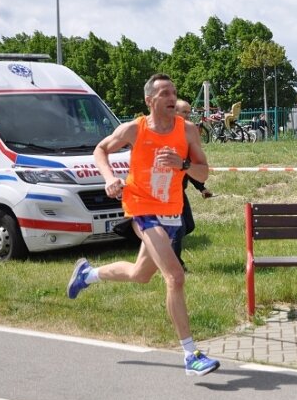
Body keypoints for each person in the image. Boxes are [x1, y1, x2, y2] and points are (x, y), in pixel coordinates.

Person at [67, 73, 220, 376]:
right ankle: (190, 355)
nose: (171, 98)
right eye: (164, 93)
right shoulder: (134, 130)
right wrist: (110, 178)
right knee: (175, 277)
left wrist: (183, 165)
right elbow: (100, 150)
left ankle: (89, 274)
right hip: (141, 208)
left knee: (140, 275)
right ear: (150, 100)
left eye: (174, 92)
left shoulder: (188, 131)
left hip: (172, 211)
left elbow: (203, 174)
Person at [173, 99, 212, 271]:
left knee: (188, 225)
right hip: (166, 192)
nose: (188, 116)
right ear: (174, 112)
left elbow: (191, 167)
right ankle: (176, 265)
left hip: (180, 191)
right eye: (184, 112)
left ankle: (162, 248)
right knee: (178, 228)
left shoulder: (188, 135)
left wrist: (201, 187)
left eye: (189, 112)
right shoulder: (168, 134)